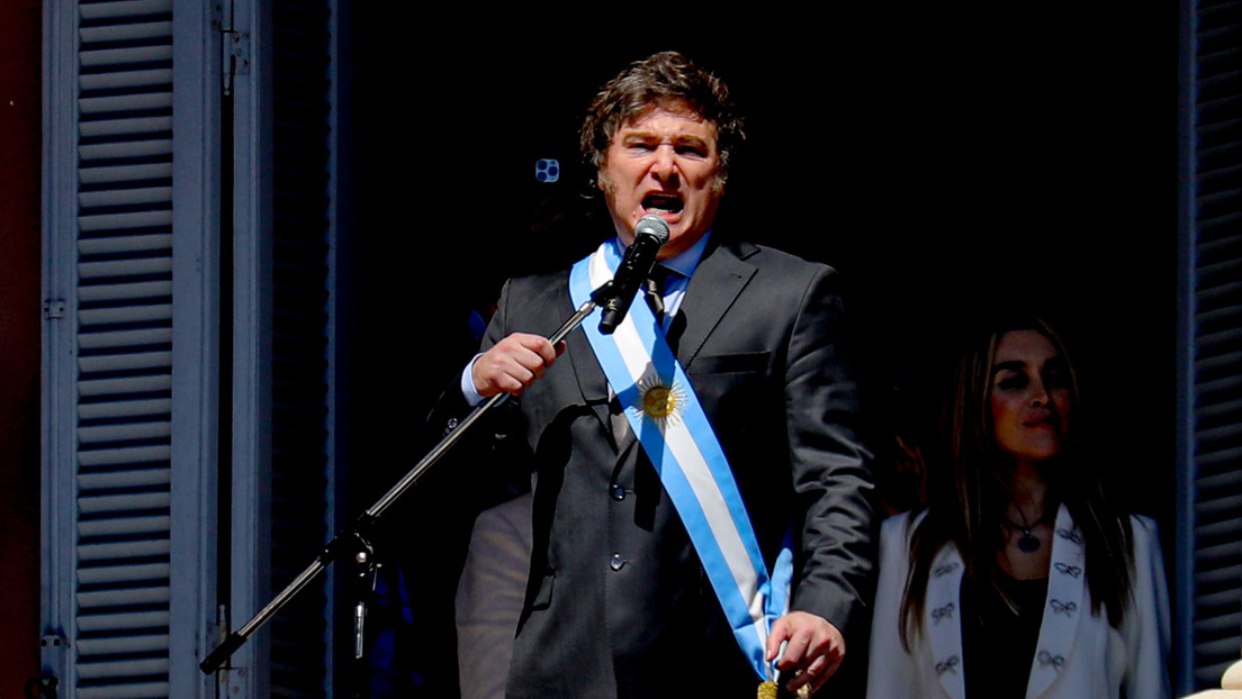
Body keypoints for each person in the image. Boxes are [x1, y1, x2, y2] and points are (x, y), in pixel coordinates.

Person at [440, 51, 875, 698]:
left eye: (690, 149)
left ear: (718, 175)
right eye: (641, 144)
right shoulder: (535, 303)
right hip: (564, 667)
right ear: (602, 169)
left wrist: (825, 606)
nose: (665, 166)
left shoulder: (790, 294)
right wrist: (474, 385)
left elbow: (837, 477)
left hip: (721, 663)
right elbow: (458, 481)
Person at [866, 316, 1171, 699]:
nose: (1042, 396)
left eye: (1056, 378)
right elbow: (888, 687)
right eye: (1013, 381)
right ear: (975, 401)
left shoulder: (1128, 541)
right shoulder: (909, 542)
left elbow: (1150, 686)